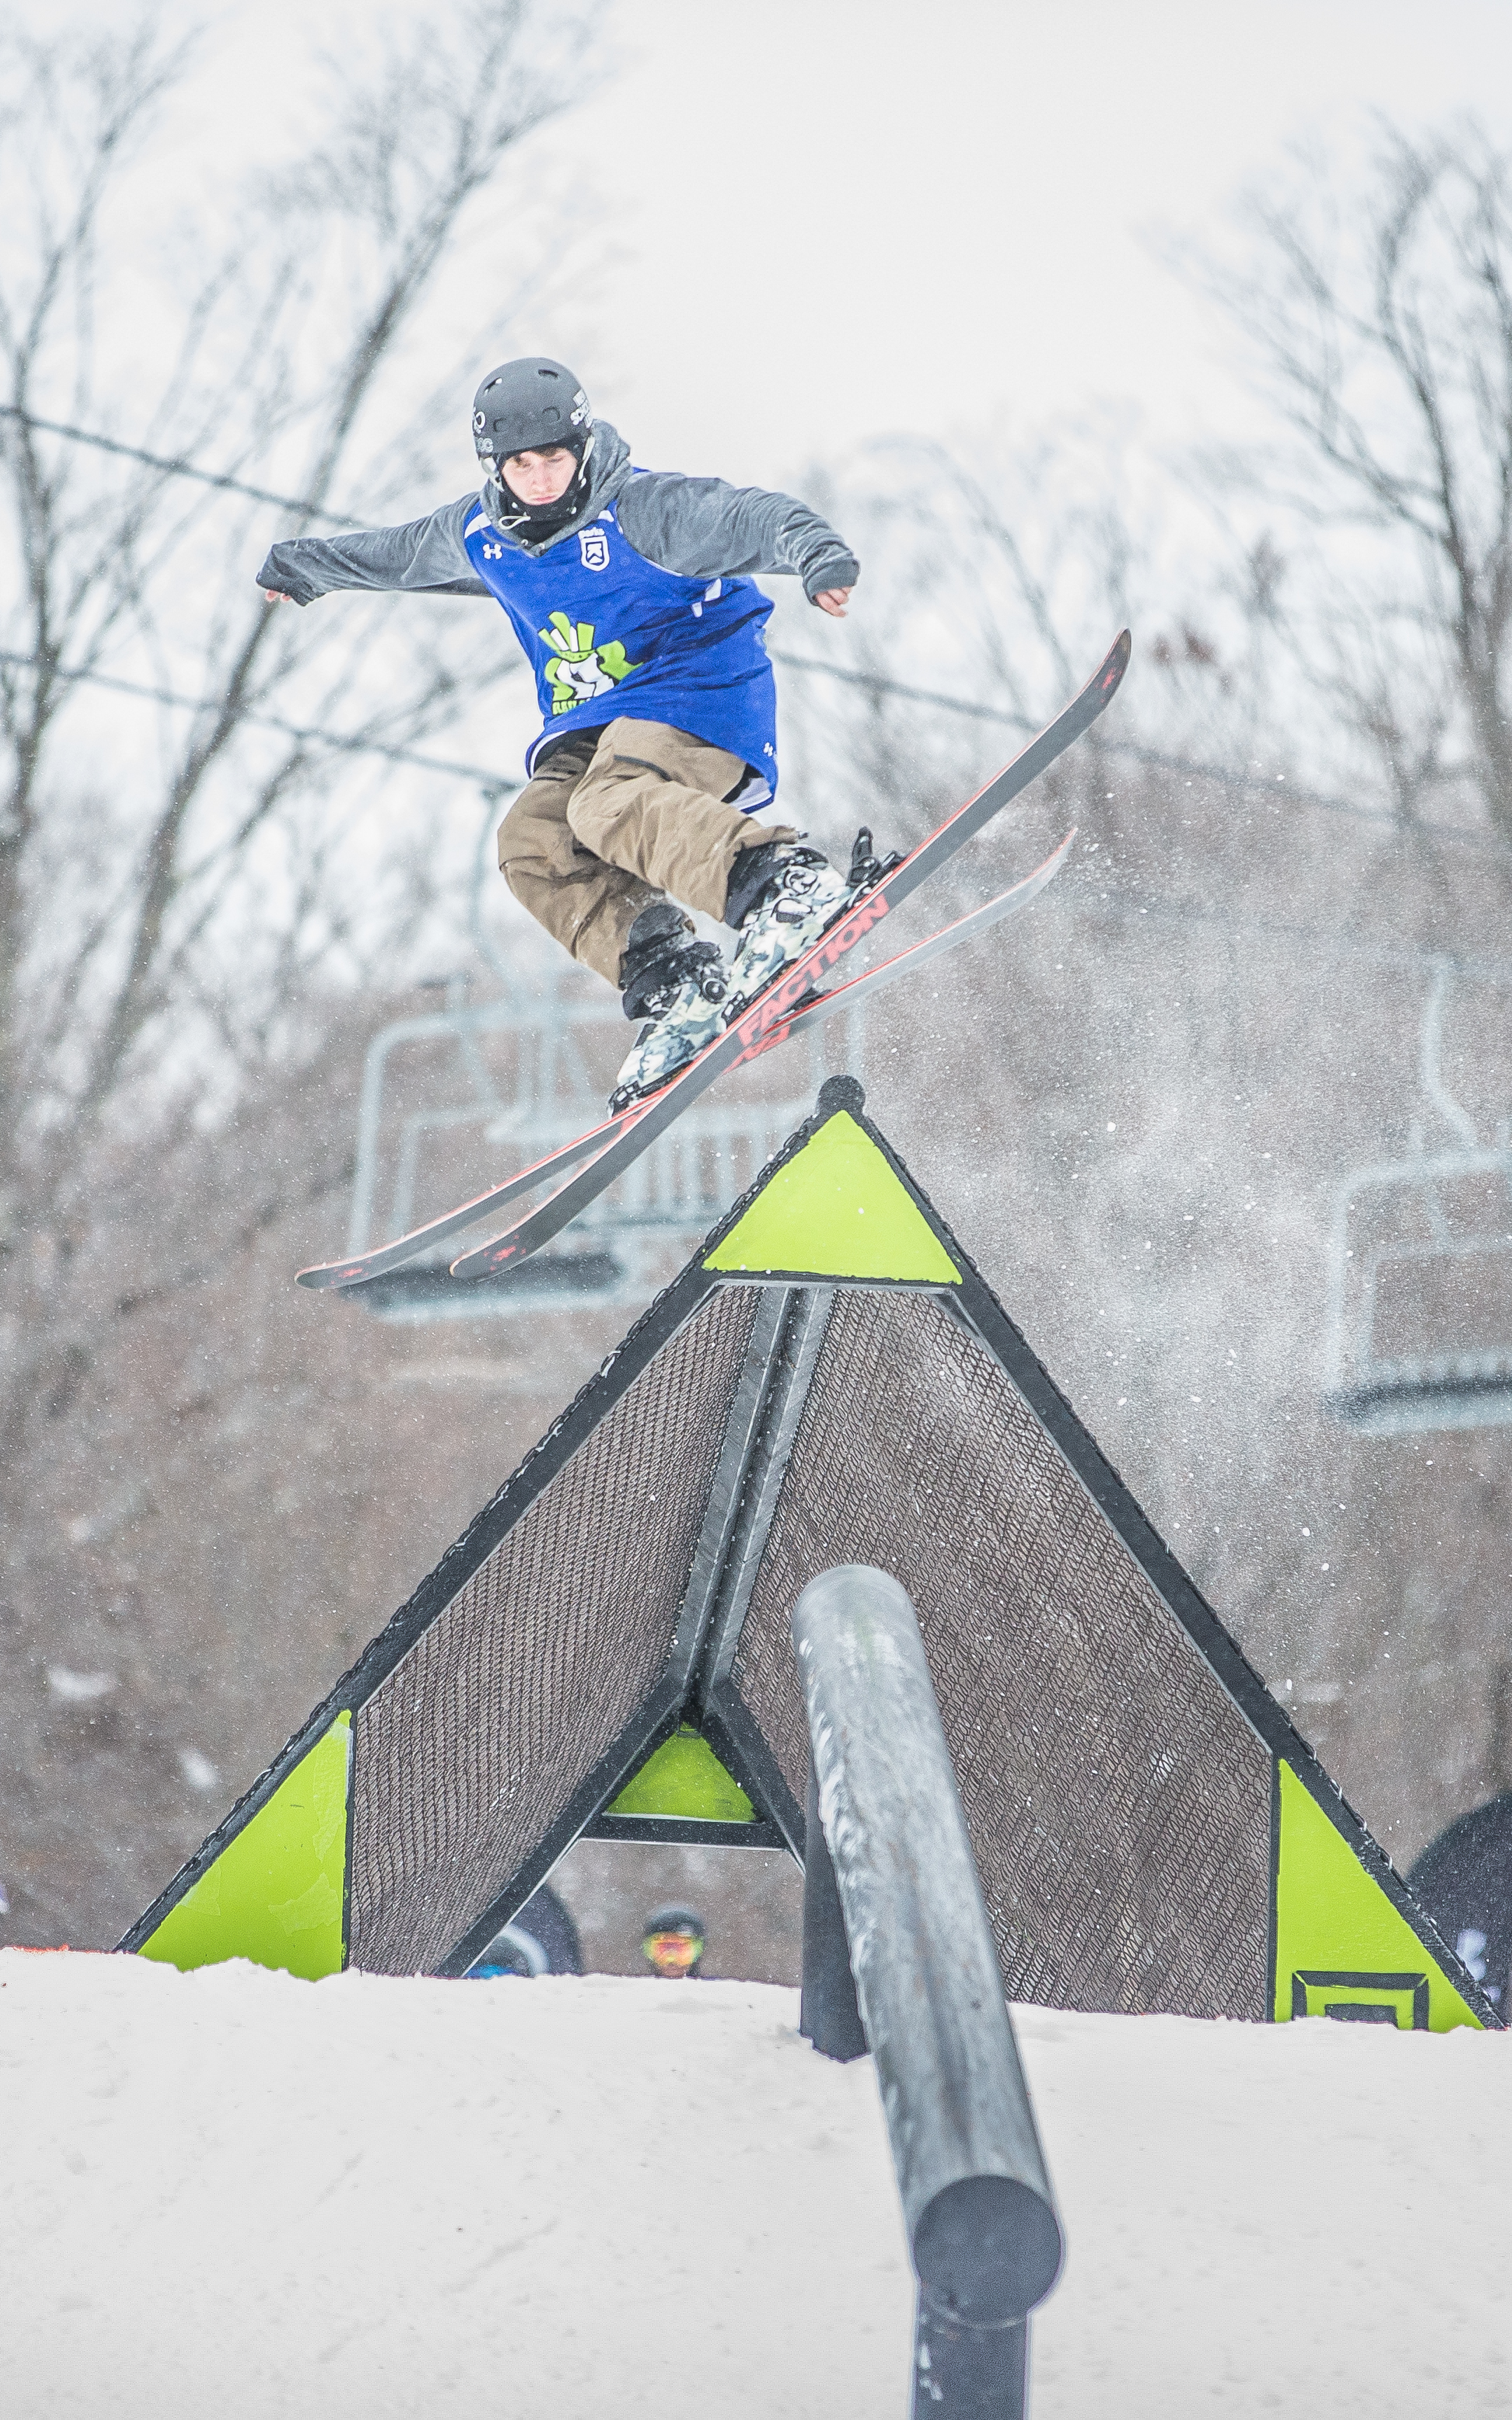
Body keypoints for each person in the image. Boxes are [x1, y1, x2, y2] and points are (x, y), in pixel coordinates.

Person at [258, 356, 872, 1106]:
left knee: (606, 801)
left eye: (555, 458)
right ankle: (672, 977)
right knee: (532, 839)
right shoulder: (479, 534)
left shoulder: (645, 511)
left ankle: (784, 887)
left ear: (581, 446)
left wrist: (817, 556)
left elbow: (757, 517)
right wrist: (305, 568)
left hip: (700, 693)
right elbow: (397, 555)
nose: (542, 479)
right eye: (521, 465)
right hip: (596, 724)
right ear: (496, 466)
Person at [640, 1904, 706, 1979]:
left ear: (698, 1950)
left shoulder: (711, 1986)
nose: (671, 1959)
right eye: (663, 1948)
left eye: (681, 1948)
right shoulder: (635, 1985)